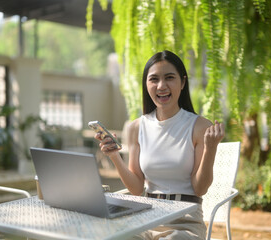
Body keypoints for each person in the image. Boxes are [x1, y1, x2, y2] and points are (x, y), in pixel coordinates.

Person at [95, 50, 225, 239]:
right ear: (146, 85)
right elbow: (137, 188)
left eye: (169, 78)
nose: (161, 86)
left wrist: (211, 149)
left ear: (182, 82)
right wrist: (114, 156)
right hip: (147, 218)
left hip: (185, 221)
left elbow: (200, 188)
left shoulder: (200, 126)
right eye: (154, 79)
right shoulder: (136, 127)